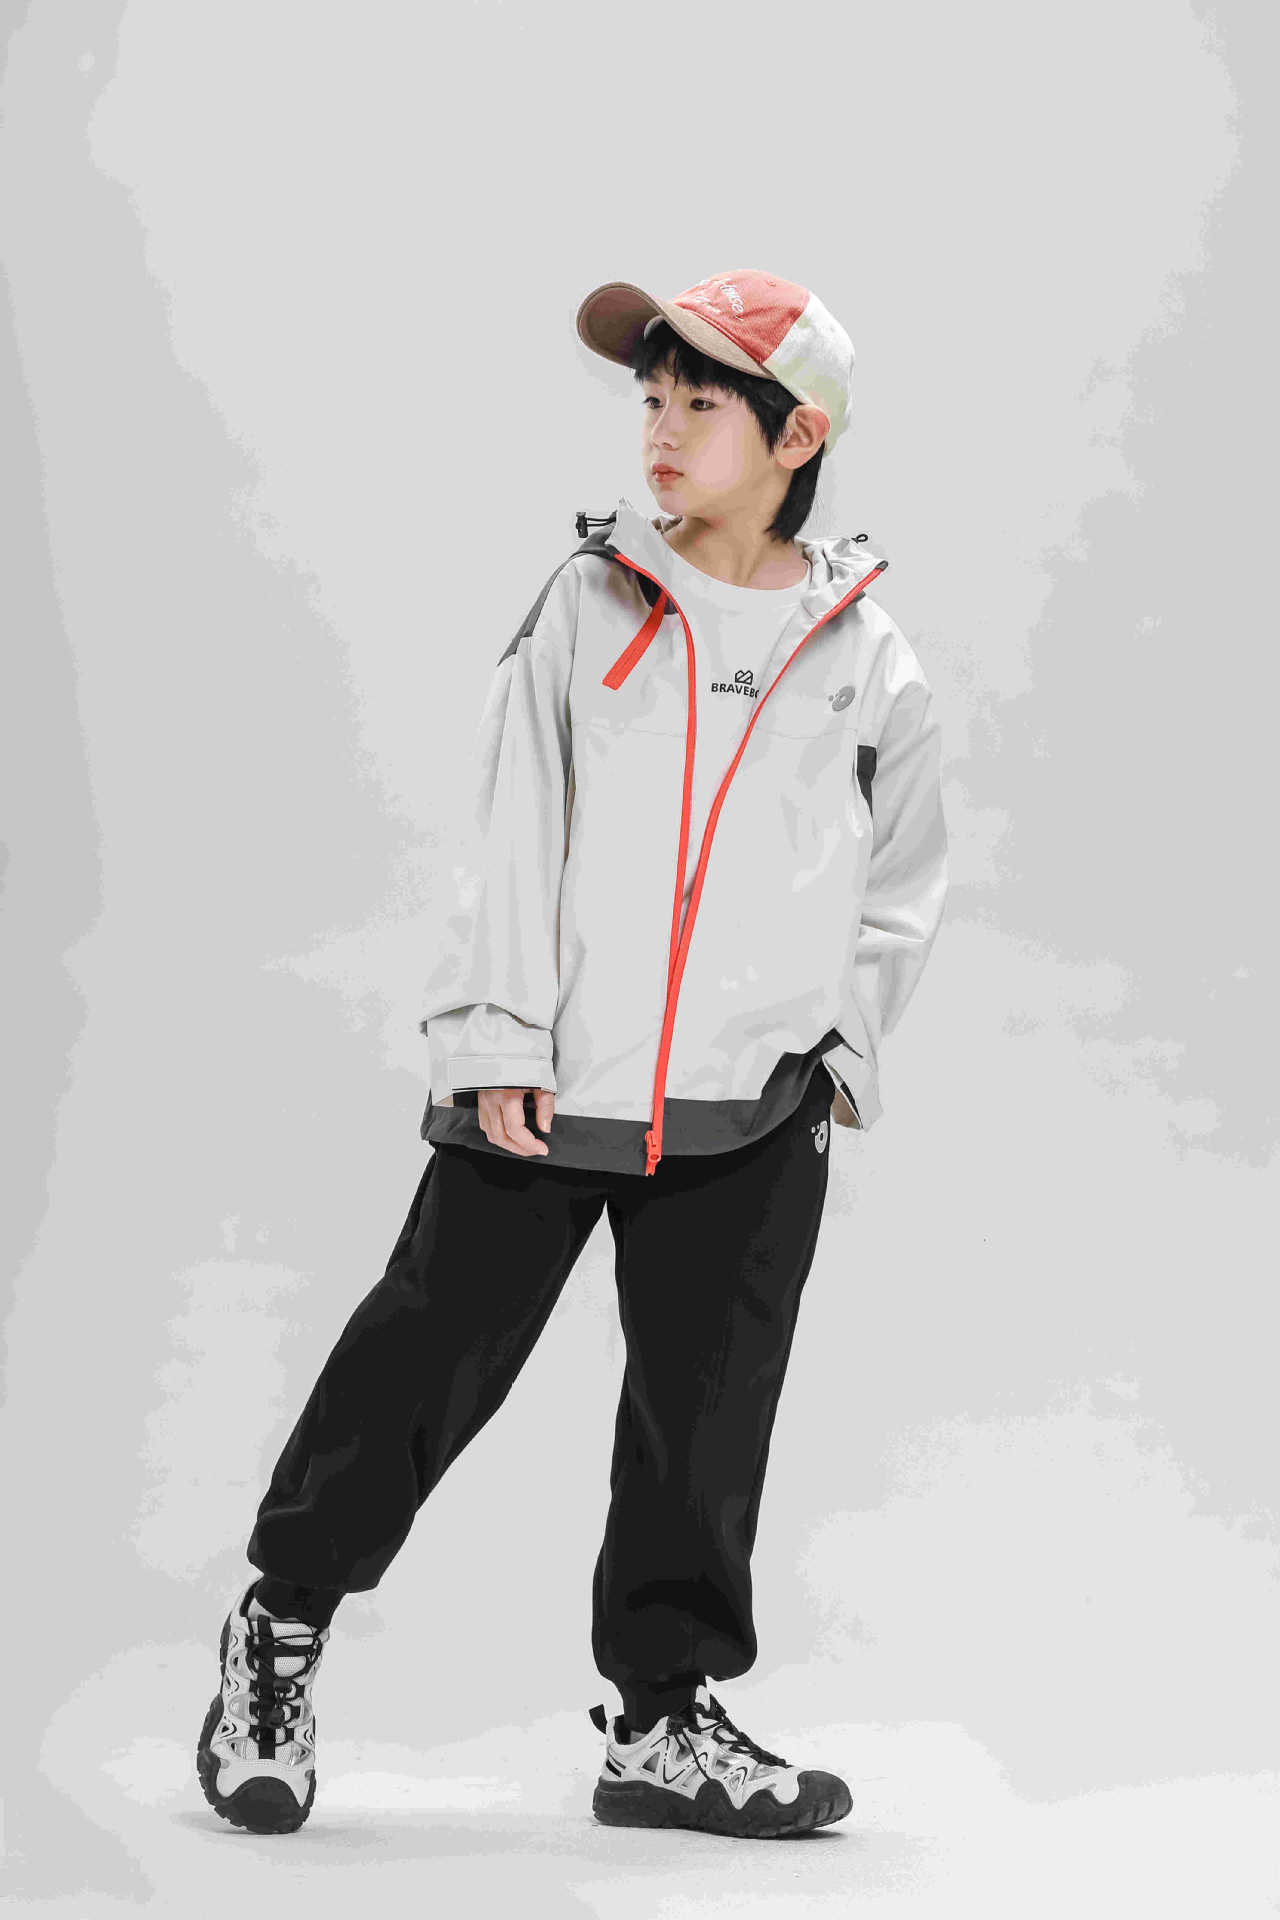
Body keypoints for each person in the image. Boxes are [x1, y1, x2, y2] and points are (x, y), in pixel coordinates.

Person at [195, 268, 950, 1840]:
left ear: (797, 435)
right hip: (545, 1089)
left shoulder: (867, 655)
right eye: (651, 400)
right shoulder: (588, 602)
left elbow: (904, 877)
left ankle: (662, 1723)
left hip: (754, 1108)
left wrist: (841, 1063)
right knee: (423, 1361)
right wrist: (494, 1037)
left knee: (707, 1420)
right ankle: (280, 1627)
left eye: (701, 404)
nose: (661, 429)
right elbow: (510, 832)